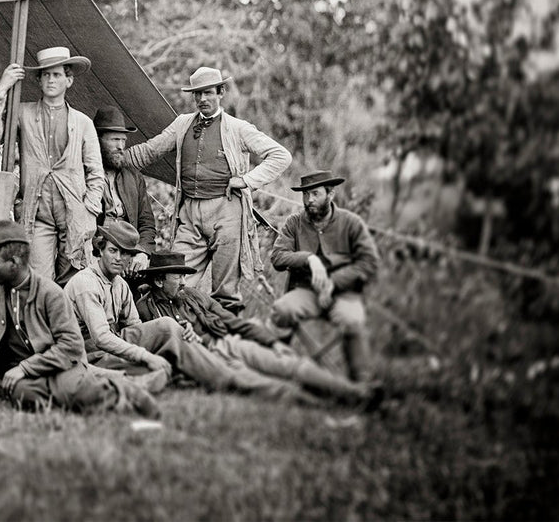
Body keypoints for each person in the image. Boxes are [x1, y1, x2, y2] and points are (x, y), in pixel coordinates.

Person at [64, 219, 317, 403]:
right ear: (100, 249)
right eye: (113, 251)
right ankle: (236, 380)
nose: (119, 258)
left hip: (122, 345)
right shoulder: (87, 283)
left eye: (126, 254)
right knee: (164, 363)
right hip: (90, 353)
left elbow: (133, 328)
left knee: (169, 333)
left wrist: (174, 333)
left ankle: (249, 381)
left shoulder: (119, 285)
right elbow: (101, 338)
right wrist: (147, 355)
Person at [0, 220, 159, 416]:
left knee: (73, 392)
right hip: (17, 374)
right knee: (20, 392)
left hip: (58, 367)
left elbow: (70, 347)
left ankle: (125, 392)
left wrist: (27, 368)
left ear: (15, 263)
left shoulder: (50, 294)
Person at [122, 65, 291, 312]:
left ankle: (224, 342)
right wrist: (117, 158)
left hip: (227, 212)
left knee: (226, 290)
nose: (202, 99)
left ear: (220, 92)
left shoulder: (237, 128)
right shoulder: (182, 124)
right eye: (197, 94)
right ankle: (172, 335)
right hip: (190, 213)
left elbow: (280, 155)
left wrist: (246, 180)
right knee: (172, 280)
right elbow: (150, 150)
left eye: (208, 92)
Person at [137, 252, 378, 405]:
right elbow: (153, 352)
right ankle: (330, 405)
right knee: (266, 385)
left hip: (228, 343)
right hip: (207, 361)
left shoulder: (194, 296)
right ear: (159, 281)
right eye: (177, 276)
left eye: (183, 276)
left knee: (288, 363)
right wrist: (183, 338)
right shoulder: (146, 311)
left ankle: (355, 392)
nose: (183, 281)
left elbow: (233, 323)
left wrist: (272, 342)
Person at [0, 46, 105, 283]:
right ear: (38, 80)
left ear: (69, 80)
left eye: (57, 75)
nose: (50, 80)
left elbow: (96, 171)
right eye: (46, 75)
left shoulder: (82, 122)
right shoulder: (23, 112)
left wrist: (89, 208)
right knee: (39, 280)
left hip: (74, 213)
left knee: (75, 278)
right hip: (37, 214)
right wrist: (2, 88)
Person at [270, 170, 379, 383]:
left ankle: (362, 382)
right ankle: (278, 366)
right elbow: (278, 257)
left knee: (353, 319)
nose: (309, 200)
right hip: (306, 291)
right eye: (305, 195)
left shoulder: (351, 223)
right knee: (282, 309)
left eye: (315, 194)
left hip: (343, 294)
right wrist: (309, 258)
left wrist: (334, 282)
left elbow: (369, 262)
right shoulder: (294, 223)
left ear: (330, 194)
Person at [94, 106, 158, 274]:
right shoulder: (84, 175)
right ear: (97, 140)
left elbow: (147, 224)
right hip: (97, 253)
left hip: (130, 253)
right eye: (114, 140)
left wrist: (142, 252)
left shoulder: (133, 177)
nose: (121, 146)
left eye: (123, 140)